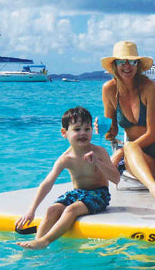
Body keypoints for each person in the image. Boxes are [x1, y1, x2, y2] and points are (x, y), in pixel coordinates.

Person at [15, 106, 119, 249]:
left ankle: (45, 241)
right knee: (52, 210)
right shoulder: (65, 159)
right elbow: (47, 183)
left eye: (87, 129)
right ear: (64, 133)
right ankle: (35, 242)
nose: (83, 133)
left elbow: (116, 179)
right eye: (77, 129)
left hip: (99, 194)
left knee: (71, 210)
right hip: (77, 193)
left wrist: (98, 162)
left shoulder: (99, 152)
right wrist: (31, 210)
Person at [100, 40, 155, 206]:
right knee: (130, 146)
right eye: (121, 61)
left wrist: (121, 152)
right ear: (114, 65)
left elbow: (153, 134)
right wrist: (102, 128)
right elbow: (111, 131)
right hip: (141, 161)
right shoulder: (109, 89)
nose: (127, 66)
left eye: (132, 61)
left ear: (138, 65)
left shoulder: (150, 88)